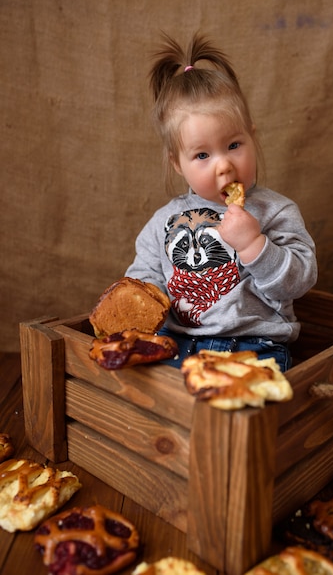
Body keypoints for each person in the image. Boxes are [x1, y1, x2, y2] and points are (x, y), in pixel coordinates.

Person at [126, 33, 317, 370]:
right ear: (177, 163)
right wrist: (134, 304)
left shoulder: (276, 211)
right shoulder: (162, 222)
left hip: (256, 347)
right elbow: (145, 281)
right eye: (202, 154)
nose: (224, 165)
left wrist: (255, 245)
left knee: (246, 415)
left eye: (233, 146)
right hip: (180, 345)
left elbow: (299, 281)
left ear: (252, 137)